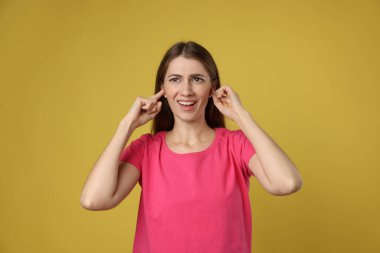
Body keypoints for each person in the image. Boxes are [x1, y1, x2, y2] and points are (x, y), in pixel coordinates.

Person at [80, 41, 303, 253]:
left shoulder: (235, 145)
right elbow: (94, 199)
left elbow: (286, 183)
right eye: (175, 79)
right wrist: (126, 125)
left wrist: (241, 116)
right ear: (163, 88)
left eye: (197, 79)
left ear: (212, 87)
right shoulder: (146, 150)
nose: (186, 90)